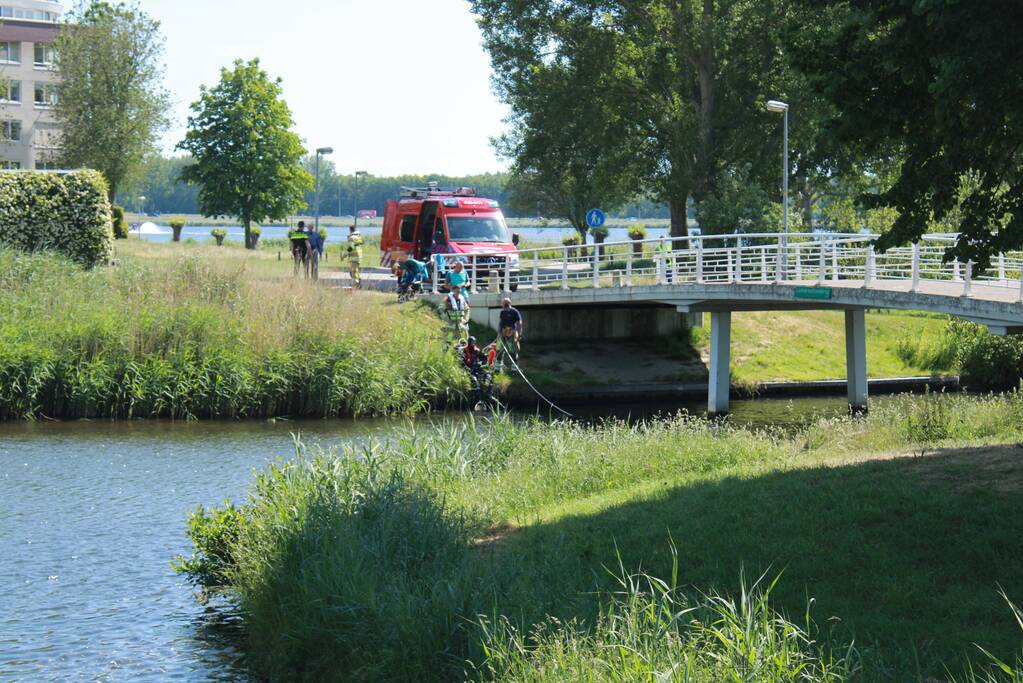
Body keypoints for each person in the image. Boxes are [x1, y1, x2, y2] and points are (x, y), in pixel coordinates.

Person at [346, 225, 364, 289]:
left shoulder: (352, 237)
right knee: (357, 272)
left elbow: (350, 247)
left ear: (350, 230)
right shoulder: (359, 237)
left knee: (353, 273)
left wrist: (345, 254)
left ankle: (356, 286)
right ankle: (359, 284)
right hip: (359, 257)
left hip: (353, 257)